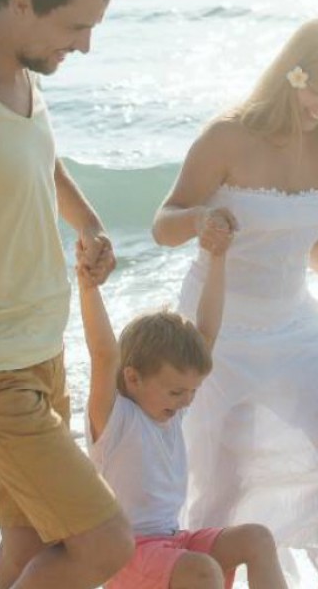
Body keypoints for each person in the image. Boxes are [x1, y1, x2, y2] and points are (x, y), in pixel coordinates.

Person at [151, 18, 318, 588]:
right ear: (291, 75)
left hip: (294, 326)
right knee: (219, 487)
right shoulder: (226, 137)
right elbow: (162, 223)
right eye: (317, 92)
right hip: (219, 329)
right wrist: (202, 221)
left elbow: (292, 230)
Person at [0, 0, 134, 587]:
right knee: (104, 543)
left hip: (44, 350)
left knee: (30, 540)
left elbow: (44, 164)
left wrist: (90, 224)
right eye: (75, 26)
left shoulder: (21, 75)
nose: (85, 44)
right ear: (21, 1)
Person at [78, 211, 289, 589]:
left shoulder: (168, 406)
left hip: (171, 541)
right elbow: (102, 354)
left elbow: (206, 331)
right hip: (126, 554)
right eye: (178, 392)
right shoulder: (114, 418)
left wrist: (218, 258)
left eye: (192, 391)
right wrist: (89, 288)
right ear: (133, 378)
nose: (187, 401)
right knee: (202, 570)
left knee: (256, 538)